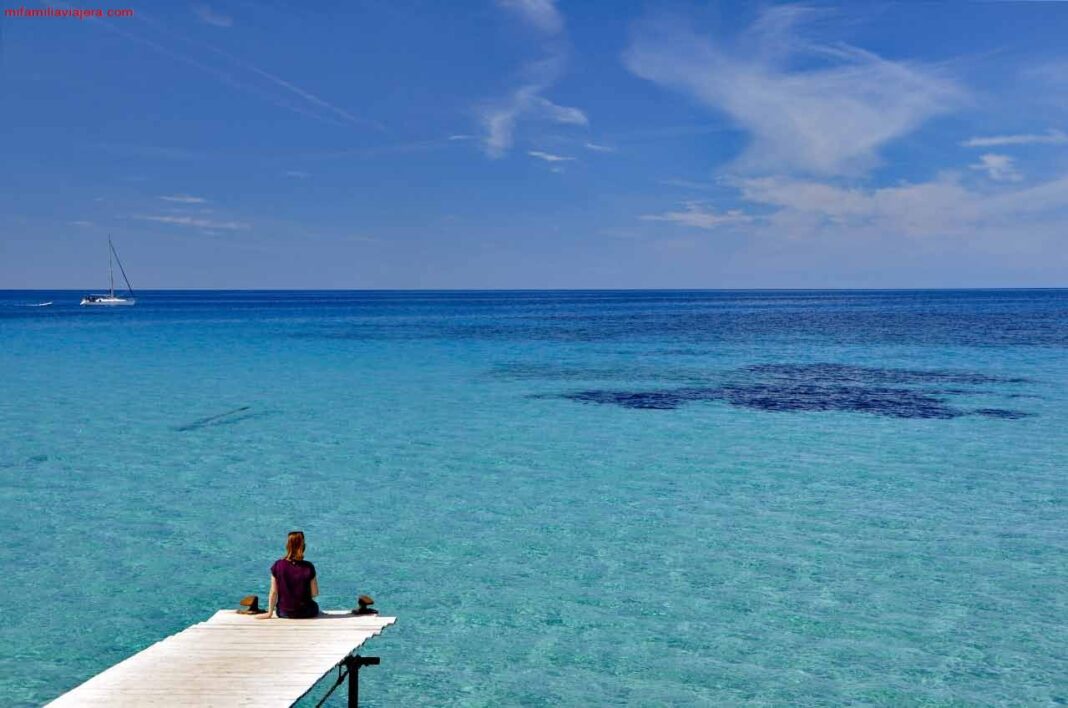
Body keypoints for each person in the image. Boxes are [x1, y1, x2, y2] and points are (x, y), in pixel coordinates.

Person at [257, 530, 320, 619]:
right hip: (305, 612)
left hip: (283, 612)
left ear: (288, 546)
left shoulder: (278, 565)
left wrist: (270, 613)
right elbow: (314, 593)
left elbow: (273, 592)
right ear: (303, 546)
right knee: (314, 605)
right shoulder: (309, 567)